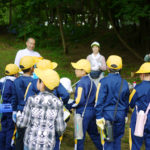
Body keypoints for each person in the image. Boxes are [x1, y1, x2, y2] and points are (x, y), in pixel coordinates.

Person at [24, 59, 70, 150]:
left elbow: (27, 100)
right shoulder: (55, 82)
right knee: (53, 140)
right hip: (52, 121)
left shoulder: (34, 83)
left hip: (36, 121)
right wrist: (61, 104)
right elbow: (65, 95)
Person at [95, 55, 130, 150]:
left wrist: (98, 116)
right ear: (121, 67)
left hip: (107, 115)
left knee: (108, 140)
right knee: (117, 140)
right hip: (121, 115)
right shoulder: (125, 83)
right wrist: (126, 114)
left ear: (107, 67)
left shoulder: (103, 81)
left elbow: (100, 100)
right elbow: (126, 101)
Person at [70, 59, 103, 150]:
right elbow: (96, 97)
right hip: (92, 111)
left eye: (77, 69)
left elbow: (79, 100)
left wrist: (70, 105)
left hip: (82, 113)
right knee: (94, 134)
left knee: (79, 136)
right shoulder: (92, 82)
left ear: (83, 71)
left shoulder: (81, 83)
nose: (75, 70)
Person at [11, 56, 35, 150]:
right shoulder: (35, 82)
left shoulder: (16, 81)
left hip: (19, 112)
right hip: (31, 113)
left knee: (20, 136)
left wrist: (14, 111)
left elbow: (14, 98)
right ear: (32, 68)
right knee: (30, 137)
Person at [129, 62, 150, 150]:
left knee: (136, 142)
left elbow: (131, 104)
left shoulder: (137, 88)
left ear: (142, 74)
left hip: (139, 117)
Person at [0, 64, 20, 150]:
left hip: (3, 108)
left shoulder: (3, 81)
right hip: (10, 109)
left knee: (3, 127)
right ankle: (8, 147)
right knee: (10, 129)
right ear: (15, 74)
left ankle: (1, 146)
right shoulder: (14, 83)